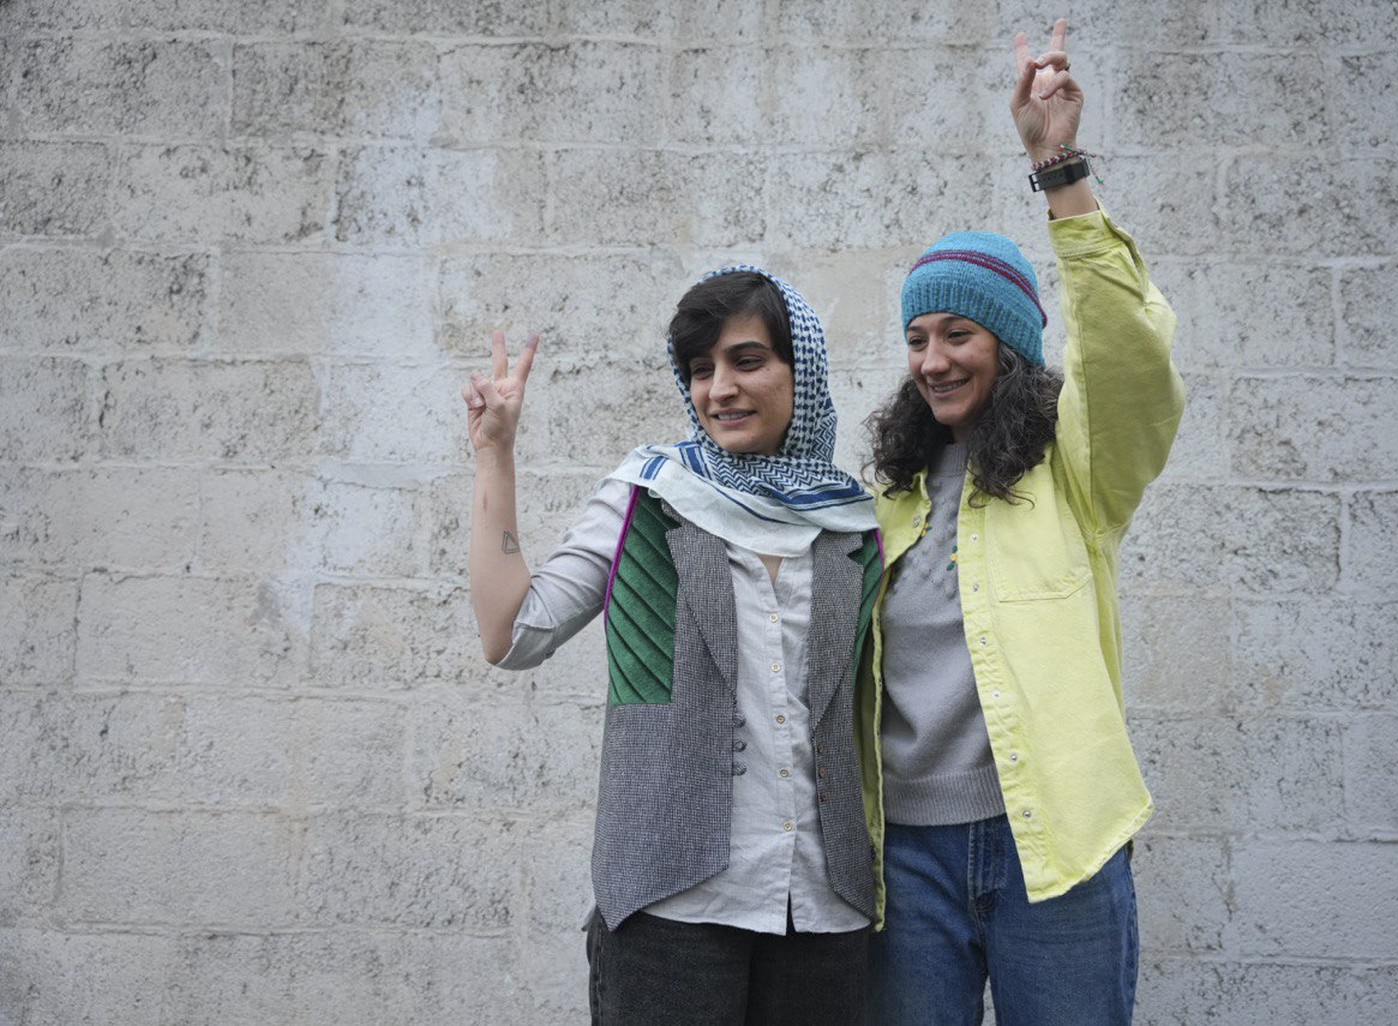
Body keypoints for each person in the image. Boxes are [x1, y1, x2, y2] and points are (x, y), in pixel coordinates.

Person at [860, 19, 1184, 1025]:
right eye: (917, 337)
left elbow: (1127, 349)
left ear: (1007, 344)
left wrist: (1061, 171)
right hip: (903, 865)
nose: (933, 358)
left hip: (1059, 851)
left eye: (958, 332)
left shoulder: (1075, 475)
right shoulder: (893, 501)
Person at [461, 267, 883, 1026]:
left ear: (803, 370)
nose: (719, 388)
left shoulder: (853, 524)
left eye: (746, 361)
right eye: (699, 370)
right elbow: (513, 631)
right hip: (671, 907)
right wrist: (496, 452)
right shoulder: (648, 496)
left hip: (823, 910)